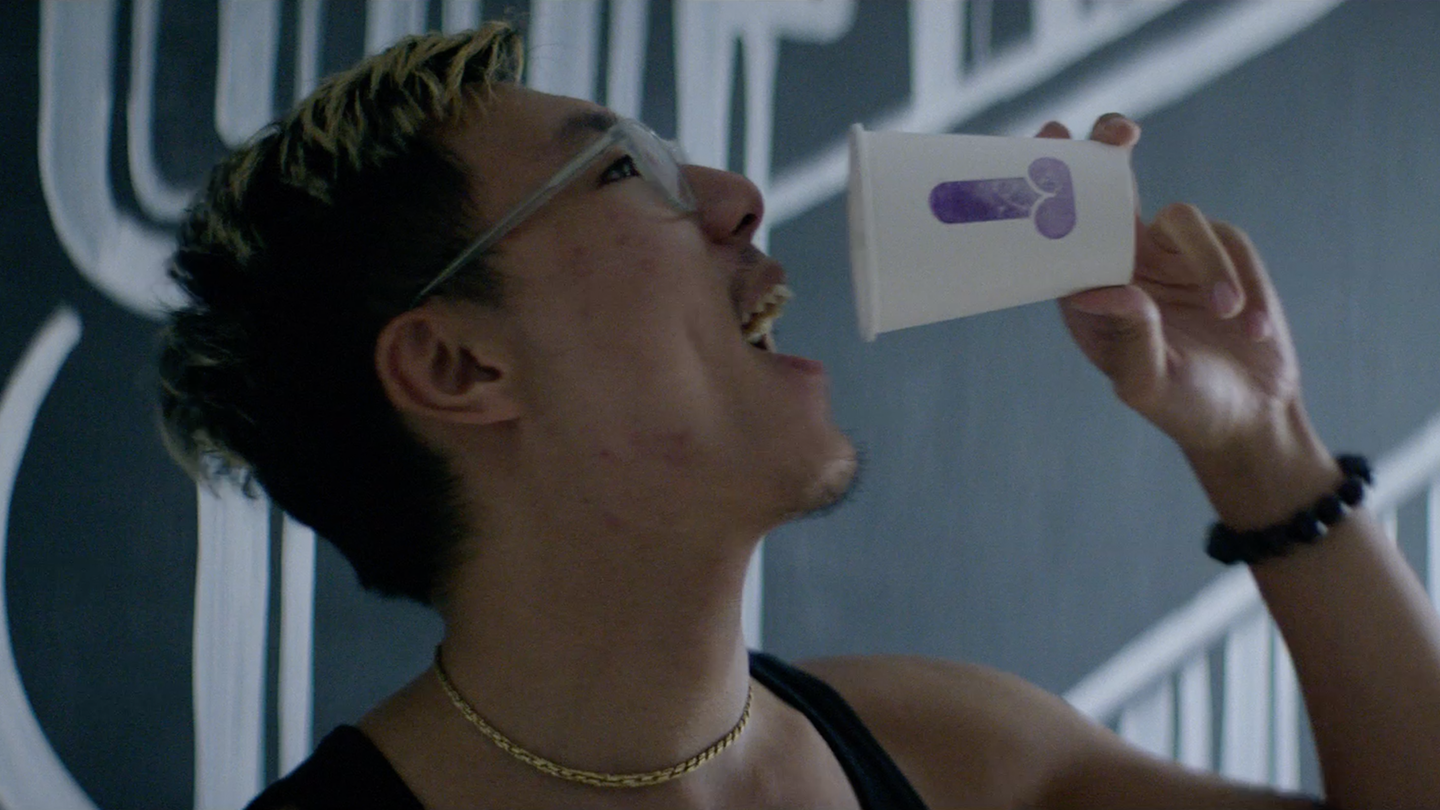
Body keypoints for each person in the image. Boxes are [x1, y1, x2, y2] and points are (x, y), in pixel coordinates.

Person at [158, 22, 1440, 810]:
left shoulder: (947, 752)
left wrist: (1259, 446)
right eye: (622, 169)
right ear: (457, 364)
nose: (734, 196)